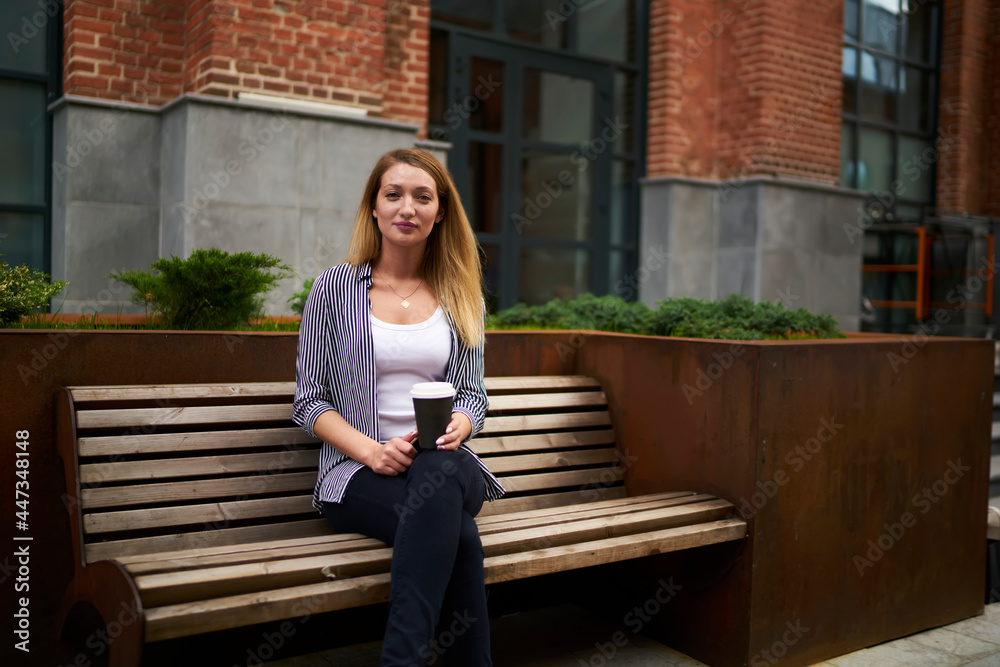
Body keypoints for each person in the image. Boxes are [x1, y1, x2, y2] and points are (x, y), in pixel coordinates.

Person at [292, 148, 505, 666]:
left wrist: (463, 421)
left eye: (422, 196)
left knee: (440, 465)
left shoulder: (461, 295)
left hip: (447, 466)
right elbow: (308, 403)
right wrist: (370, 451)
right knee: (461, 539)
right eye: (393, 195)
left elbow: (472, 393)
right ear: (374, 208)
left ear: (440, 213)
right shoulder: (333, 291)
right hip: (358, 475)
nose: (406, 207)